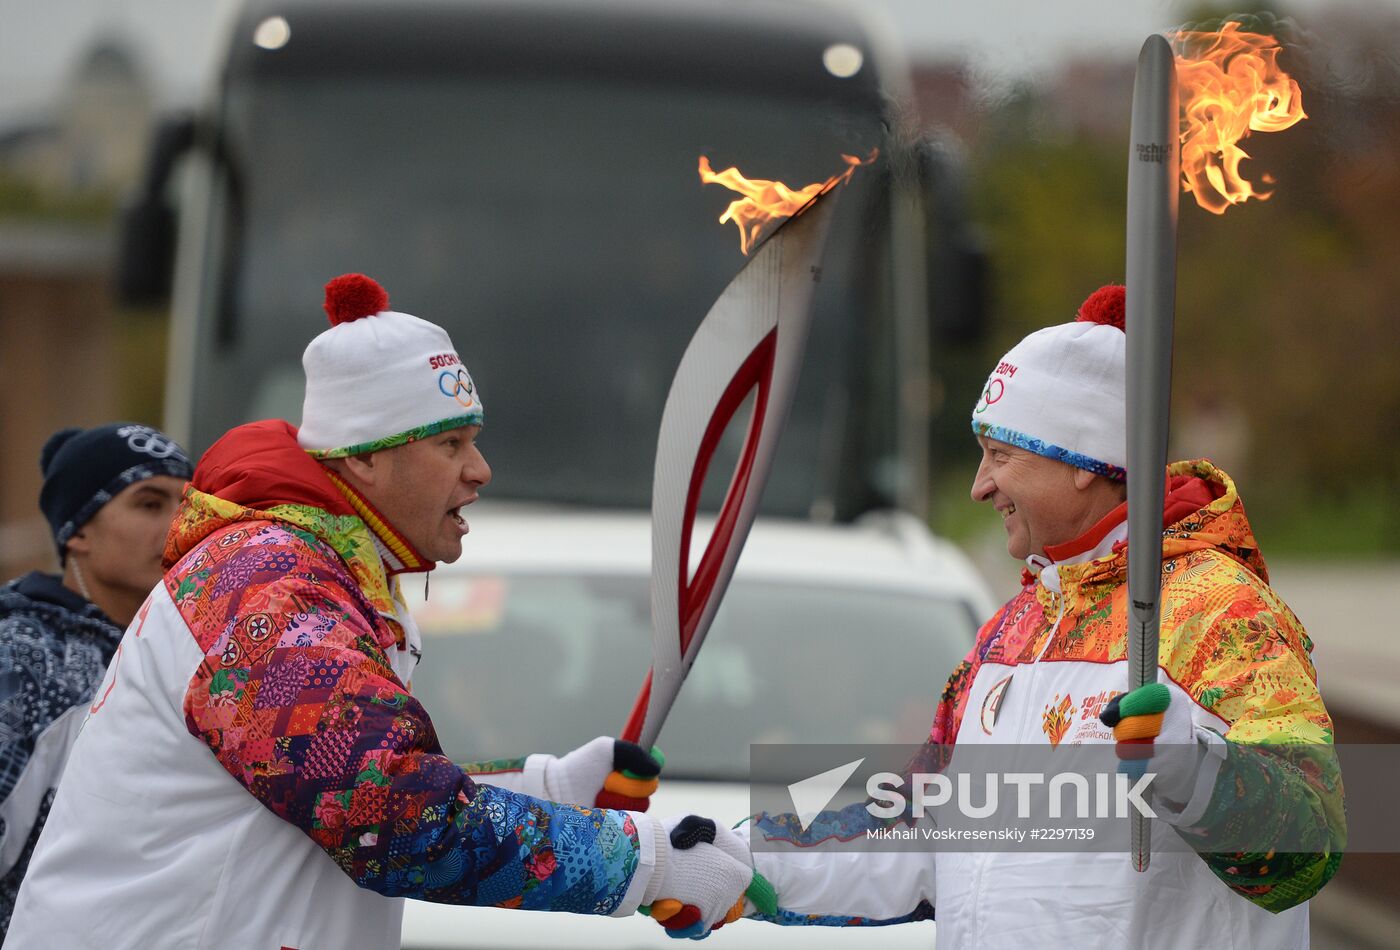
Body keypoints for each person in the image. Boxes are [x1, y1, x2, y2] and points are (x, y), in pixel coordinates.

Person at [5, 274, 753, 949]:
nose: (480, 469)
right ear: (364, 458)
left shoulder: (328, 574)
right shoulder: (266, 587)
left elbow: (330, 777)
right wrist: (644, 863)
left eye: (476, 440)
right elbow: (387, 818)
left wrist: (545, 789)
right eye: (451, 443)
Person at [682, 285, 1344, 947]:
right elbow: (914, 824)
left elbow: (1306, 852)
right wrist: (732, 858)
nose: (979, 486)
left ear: (1084, 463)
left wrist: (1192, 771)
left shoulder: (1225, 617)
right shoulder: (1014, 632)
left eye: (1001, 455)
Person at [0, 422, 193, 935]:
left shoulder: (187, 653)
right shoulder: (22, 655)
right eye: (150, 504)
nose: (180, 525)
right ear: (77, 530)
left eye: (189, 504)